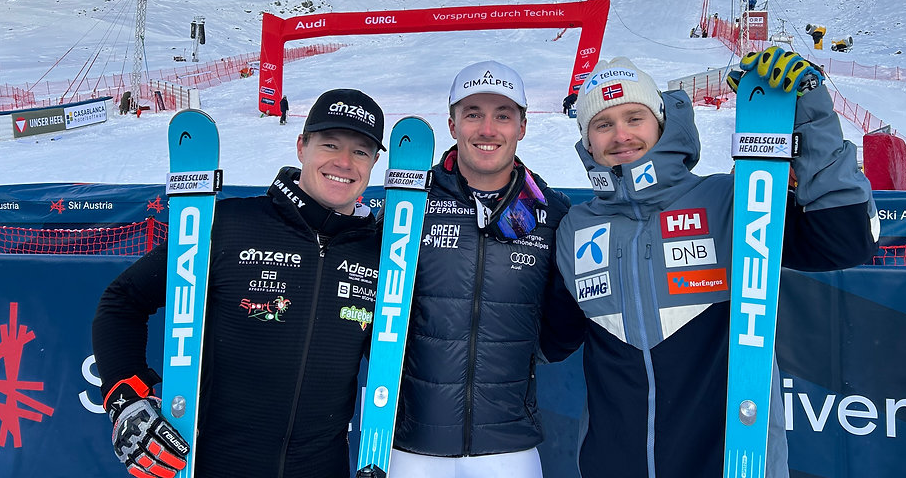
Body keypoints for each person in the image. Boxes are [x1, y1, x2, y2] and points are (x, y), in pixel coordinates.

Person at [553, 50, 878, 478]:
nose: (621, 134)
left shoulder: (729, 200)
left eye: (635, 117)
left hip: (728, 461)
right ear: (587, 140)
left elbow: (843, 242)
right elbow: (552, 339)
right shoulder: (575, 227)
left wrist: (808, 115)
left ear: (661, 122)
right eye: (603, 123)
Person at [92, 88, 387, 478]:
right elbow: (122, 302)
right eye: (330, 144)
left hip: (322, 467)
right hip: (217, 464)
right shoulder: (228, 225)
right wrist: (126, 399)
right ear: (301, 147)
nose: (344, 162)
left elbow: (397, 358)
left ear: (374, 164)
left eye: (361, 152)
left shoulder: (381, 254)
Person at [389, 61, 578, 478]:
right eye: (473, 113)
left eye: (503, 115)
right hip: (411, 443)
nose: (487, 129)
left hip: (508, 446)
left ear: (522, 127)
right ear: (453, 123)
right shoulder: (407, 203)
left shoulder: (551, 212)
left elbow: (562, 330)